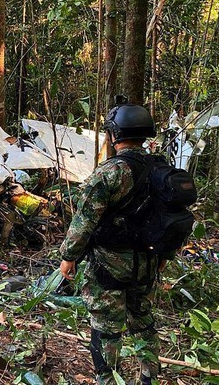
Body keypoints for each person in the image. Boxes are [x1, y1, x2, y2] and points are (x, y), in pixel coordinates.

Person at [59, 101, 166, 385]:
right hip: (148, 262)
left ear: (114, 135)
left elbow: (84, 222)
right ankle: (149, 378)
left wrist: (68, 257)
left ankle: (108, 380)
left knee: (106, 328)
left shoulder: (110, 173)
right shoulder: (160, 169)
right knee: (143, 322)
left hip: (109, 265)